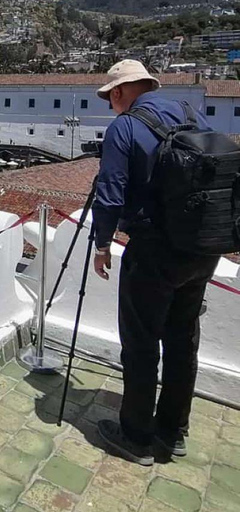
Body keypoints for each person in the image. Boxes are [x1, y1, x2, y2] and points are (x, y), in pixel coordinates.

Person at [91, 60, 221, 466]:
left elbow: (110, 194)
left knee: (142, 342)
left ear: (118, 93)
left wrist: (102, 245)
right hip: (203, 247)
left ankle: (136, 436)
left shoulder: (125, 127)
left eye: (109, 99)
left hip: (153, 251)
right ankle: (173, 431)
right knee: (183, 340)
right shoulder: (189, 112)